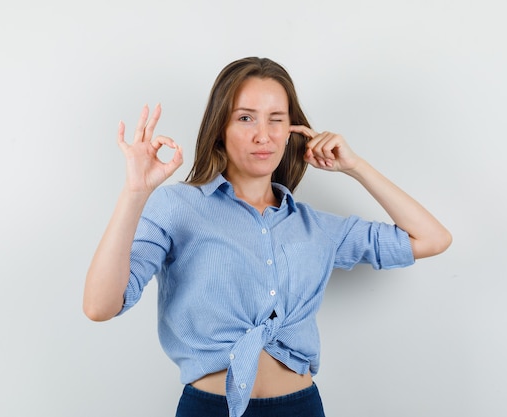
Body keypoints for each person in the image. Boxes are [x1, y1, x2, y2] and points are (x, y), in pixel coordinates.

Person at [83, 57, 452, 417]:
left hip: (301, 407)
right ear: (220, 129)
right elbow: (100, 306)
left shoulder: (316, 227)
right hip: (209, 409)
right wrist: (135, 193)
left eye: (277, 120)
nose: (263, 135)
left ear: (293, 130)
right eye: (245, 118)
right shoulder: (177, 206)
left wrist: (354, 166)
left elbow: (432, 238)